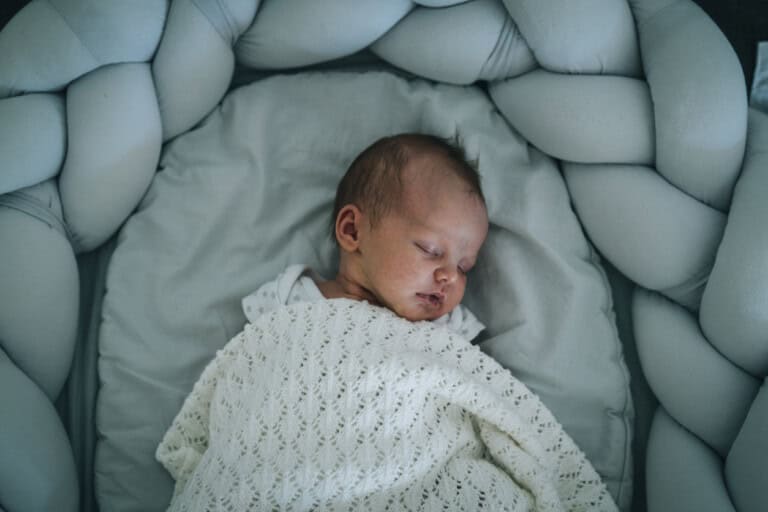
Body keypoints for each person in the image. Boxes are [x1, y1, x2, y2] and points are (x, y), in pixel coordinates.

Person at [242, 132, 489, 339]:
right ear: (352, 230)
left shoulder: (450, 327)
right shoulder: (289, 299)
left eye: (463, 267)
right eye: (430, 250)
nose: (450, 276)